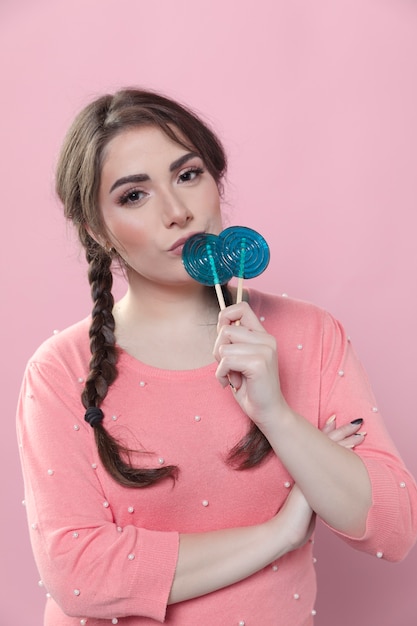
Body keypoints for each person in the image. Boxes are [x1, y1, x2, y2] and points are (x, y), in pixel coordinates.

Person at [17, 88, 417, 626]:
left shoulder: (310, 335)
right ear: (96, 230)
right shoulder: (59, 371)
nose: (179, 212)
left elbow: (393, 531)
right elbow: (78, 574)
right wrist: (277, 535)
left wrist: (275, 412)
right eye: (134, 195)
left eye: (188, 175)